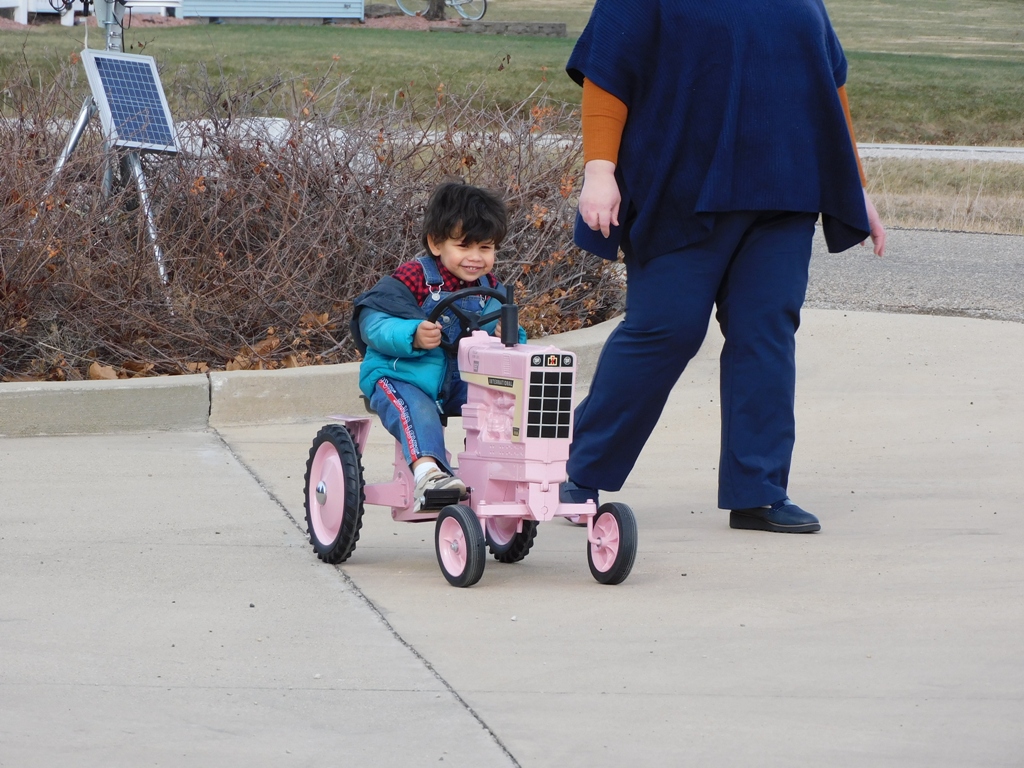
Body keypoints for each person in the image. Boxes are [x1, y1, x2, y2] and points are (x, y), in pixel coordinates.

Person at [559, 0, 887, 533]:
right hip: (682, 191)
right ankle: (576, 468)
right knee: (666, 330)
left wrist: (856, 187)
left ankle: (758, 490)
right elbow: (608, 69)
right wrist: (600, 170)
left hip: (785, 192)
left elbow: (829, 84)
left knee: (766, 332)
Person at [350, 181, 525, 509]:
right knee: (418, 408)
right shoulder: (413, 278)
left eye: (485, 248)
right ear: (435, 242)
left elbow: (507, 340)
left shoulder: (491, 288)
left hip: (459, 380)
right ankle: (429, 473)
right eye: (464, 246)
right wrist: (412, 334)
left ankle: (498, 468)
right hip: (402, 375)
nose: (475, 258)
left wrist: (510, 335)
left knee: (503, 401)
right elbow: (373, 322)